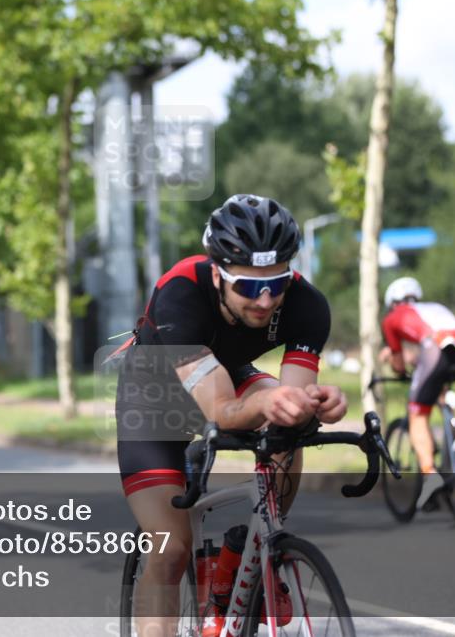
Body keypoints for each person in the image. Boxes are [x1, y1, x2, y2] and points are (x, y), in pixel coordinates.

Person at [113, 195, 347, 637]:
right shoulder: (180, 291)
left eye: (277, 283)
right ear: (218, 273)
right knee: (170, 549)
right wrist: (265, 403)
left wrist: (317, 403)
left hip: (229, 374)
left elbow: (292, 398)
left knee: (289, 418)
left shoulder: (307, 305)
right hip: (154, 401)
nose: (265, 300)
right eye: (248, 287)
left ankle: (259, 552)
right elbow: (220, 409)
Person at [378, 276, 455, 509]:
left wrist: (394, 364)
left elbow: (399, 364)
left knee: (417, 414)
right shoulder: (435, 308)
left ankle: (431, 476)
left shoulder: (391, 319)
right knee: (438, 387)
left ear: (393, 303)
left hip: (436, 350)